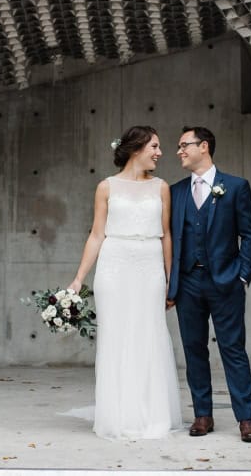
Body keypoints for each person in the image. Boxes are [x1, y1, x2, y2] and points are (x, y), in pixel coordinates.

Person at [67, 125, 183, 440]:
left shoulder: (162, 187)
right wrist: (79, 279)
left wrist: (172, 279)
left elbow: (167, 234)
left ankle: (151, 415)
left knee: (149, 336)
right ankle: (116, 415)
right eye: (155, 147)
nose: (160, 153)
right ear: (137, 148)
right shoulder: (106, 187)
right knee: (116, 339)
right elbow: (96, 234)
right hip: (114, 265)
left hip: (149, 265)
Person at [166, 126, 251, 442]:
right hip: (188, 283)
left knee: (233, 349)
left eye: (184, 145)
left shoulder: (235, 187)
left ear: (203, 146)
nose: (178, 151)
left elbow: (248, 233)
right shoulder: (176, 191)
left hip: (225, 282)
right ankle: (202, 415)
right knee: (194, 350)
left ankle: (246, 418)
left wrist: (243, 274)